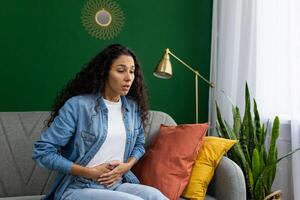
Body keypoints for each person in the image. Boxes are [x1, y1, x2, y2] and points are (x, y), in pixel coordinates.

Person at [32, 44, 168, 200]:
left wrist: (127, 166)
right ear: (104, 73)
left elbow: (139, 144)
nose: (129, 77)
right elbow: (43, 152)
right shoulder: (78, 106)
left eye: (132, 71)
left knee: (158, 197)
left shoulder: (131, 107)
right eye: (121, 70)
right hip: (79, 187)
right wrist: (90, 172)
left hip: (117, 184)